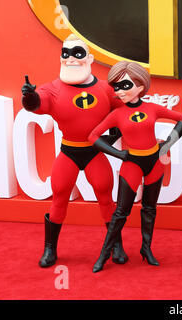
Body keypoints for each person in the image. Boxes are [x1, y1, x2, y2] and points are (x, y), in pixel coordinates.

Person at [21, 34, 127, 268]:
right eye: (66, 54)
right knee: (59, 198)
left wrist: (113, 136)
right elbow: (37, 104)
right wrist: (29, 96)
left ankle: (116, 245)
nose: (71, 59)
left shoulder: (105, 89)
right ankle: (50, 249)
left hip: (94, 152)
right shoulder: (53, 89)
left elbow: (124, 113)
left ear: (89, 58)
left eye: (77, 53)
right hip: (69, 151)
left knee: (105, 198)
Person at [89, 61, 182, 273]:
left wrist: (167, 144)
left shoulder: (153, 108)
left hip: (154, 163)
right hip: (132, 164)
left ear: (140, 87)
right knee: (121, 212)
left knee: (150, 209)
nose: (119, 91)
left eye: (125, 85)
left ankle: (146, 249)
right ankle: (104, 254)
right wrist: (119, 154)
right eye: (117, 87)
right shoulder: (117, 114)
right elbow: (92, 136)